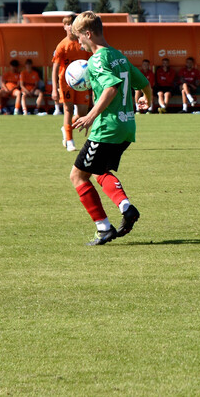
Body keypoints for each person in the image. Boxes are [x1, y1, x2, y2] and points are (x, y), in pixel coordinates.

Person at [69, 12, 153, 246]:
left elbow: (111, 88)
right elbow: (144, 83)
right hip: (126, 127)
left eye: (79, 38)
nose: (79, 43)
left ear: (88, 33)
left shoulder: (96, 60)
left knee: (77, 176)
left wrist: (89, 117)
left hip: (108, 127)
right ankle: (126, 208)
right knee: (98, 171)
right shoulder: (118, 55)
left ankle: (103, 228)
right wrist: (147, 100)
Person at [51, 15, 90, 150]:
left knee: (82, 113)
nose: (70, 27)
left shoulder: (83, 43)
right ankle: (69, 141)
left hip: (82, 83)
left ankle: (66, 128)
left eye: (72, 24)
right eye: (67, 24)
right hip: (66, 82)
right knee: (68, 109)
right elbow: (55, 67)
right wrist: (54, 88)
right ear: (64, 27)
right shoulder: (62, 45)